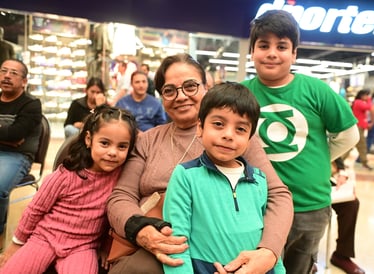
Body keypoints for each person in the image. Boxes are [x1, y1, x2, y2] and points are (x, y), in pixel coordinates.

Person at [106, 53, 293, 274]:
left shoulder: (238, 139)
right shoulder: (147, 140)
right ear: (161, 98)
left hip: (220, 242)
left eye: (190, 86)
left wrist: (269, 251)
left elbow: (278, 194)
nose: (181, 96)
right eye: (169, 90)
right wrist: (141, 230)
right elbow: (121, 196)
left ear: (206, 86)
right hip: (161, 242)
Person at [241, 10, 359, 274]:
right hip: (257, 205)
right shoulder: (241, 92)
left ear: (294, 54)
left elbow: (350, 134)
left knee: (299, 266)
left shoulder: (316, 90)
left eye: (282, 46)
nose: (272, 53)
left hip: (309, 205)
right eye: (263, 45)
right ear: (252, 52)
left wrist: (319, 159)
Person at [162, 82, 285, 274]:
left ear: (250, 138)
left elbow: (267, 243)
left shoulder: (259, 180)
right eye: (218, 124)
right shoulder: (185, 176)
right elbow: (177, 243)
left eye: (241, 129)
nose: (228, 135)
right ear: (200, 128)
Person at [0, 105, 137, 273]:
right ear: (88, 139)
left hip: (83, 247)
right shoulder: (66, 174)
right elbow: (35, 209)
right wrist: (16, 244)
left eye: (122, 146)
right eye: (105, 143)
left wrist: (105, 248)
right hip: (44, 238)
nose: (113, 152)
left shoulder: (122, 178)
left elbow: (113, 219)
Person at [0, 58, 42, 251]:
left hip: (17, 156)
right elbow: (11, 135)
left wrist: (12, 137)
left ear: (24, 81)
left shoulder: (31, 104)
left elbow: (17, 135)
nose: (7, 76)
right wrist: (7, 137)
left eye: (13, 73)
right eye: (3, 71)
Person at [330, 158, 365, 274]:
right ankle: (303, 256)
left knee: (351, 204)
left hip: (320, 175)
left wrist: (341, 172)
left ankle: (341, 254)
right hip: (294, 176)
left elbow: (333, 149)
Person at [351, 89, 373, 170]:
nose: (367, 97)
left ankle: (364, 162)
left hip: (359, 127)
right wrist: (369, 100)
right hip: (358, 127)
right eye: (367, 95)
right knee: (362, 145)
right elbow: (369, 107)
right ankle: (364, 162)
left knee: (355, 145)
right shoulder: (359, 102)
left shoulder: (357, 102)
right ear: (362, 95)